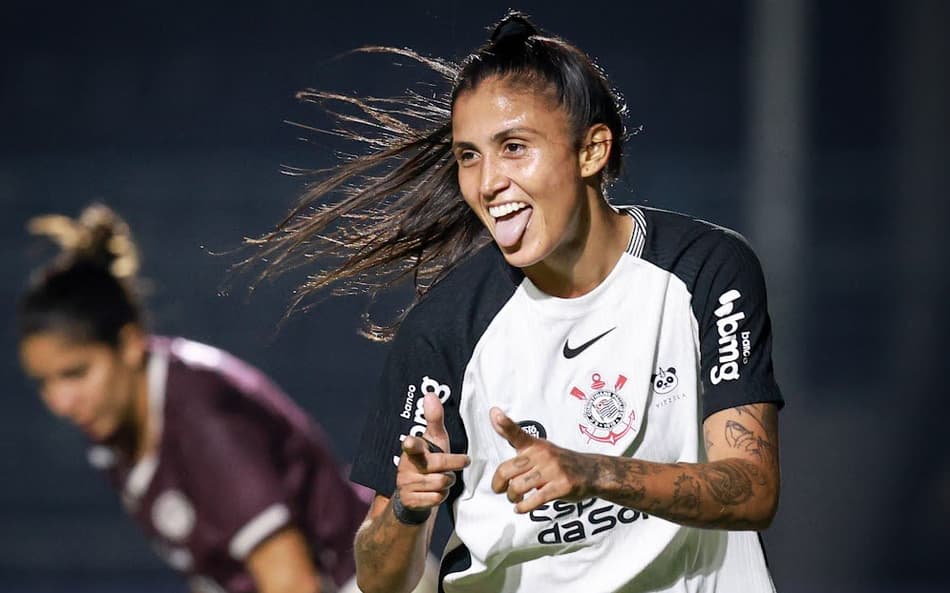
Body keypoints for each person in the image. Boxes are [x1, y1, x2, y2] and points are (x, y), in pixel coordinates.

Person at [251, 11, 783, 593]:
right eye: (469, 156)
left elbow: (752, 489)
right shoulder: (445, 327)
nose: (487, 183)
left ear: (591, 151)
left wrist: (592, 472)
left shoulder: (704, 269)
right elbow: (381, 582)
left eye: (513, 147)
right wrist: (407, 508)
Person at [16, 204, 372, 593]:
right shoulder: (116, 431)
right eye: (44, 383)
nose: (61, 402)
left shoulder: (201, 418)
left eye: (76, 373)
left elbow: (291, 583)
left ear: (129, 344)